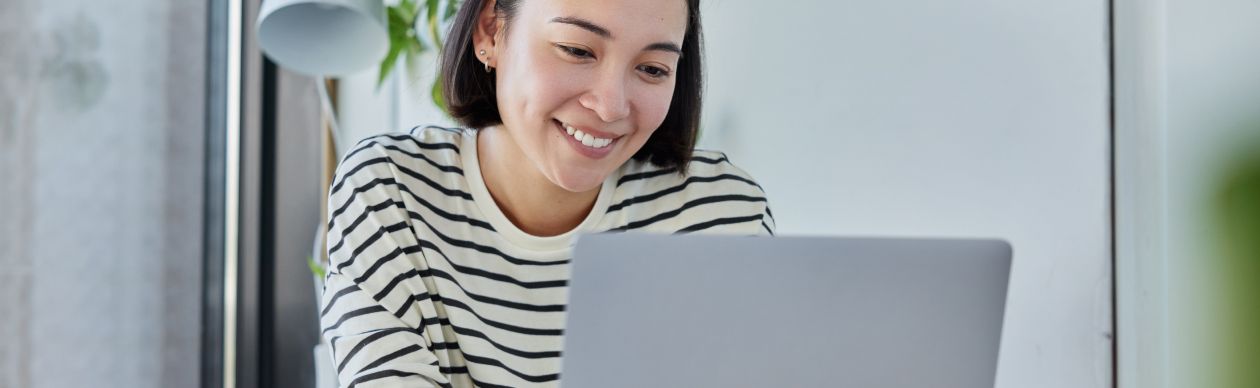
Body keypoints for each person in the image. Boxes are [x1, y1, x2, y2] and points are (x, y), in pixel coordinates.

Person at [319, 0, 774, 386]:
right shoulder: (388, 193)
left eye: (653, 68)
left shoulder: (720, 215)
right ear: (491, 31)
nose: (611, 106)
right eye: (577, 50)